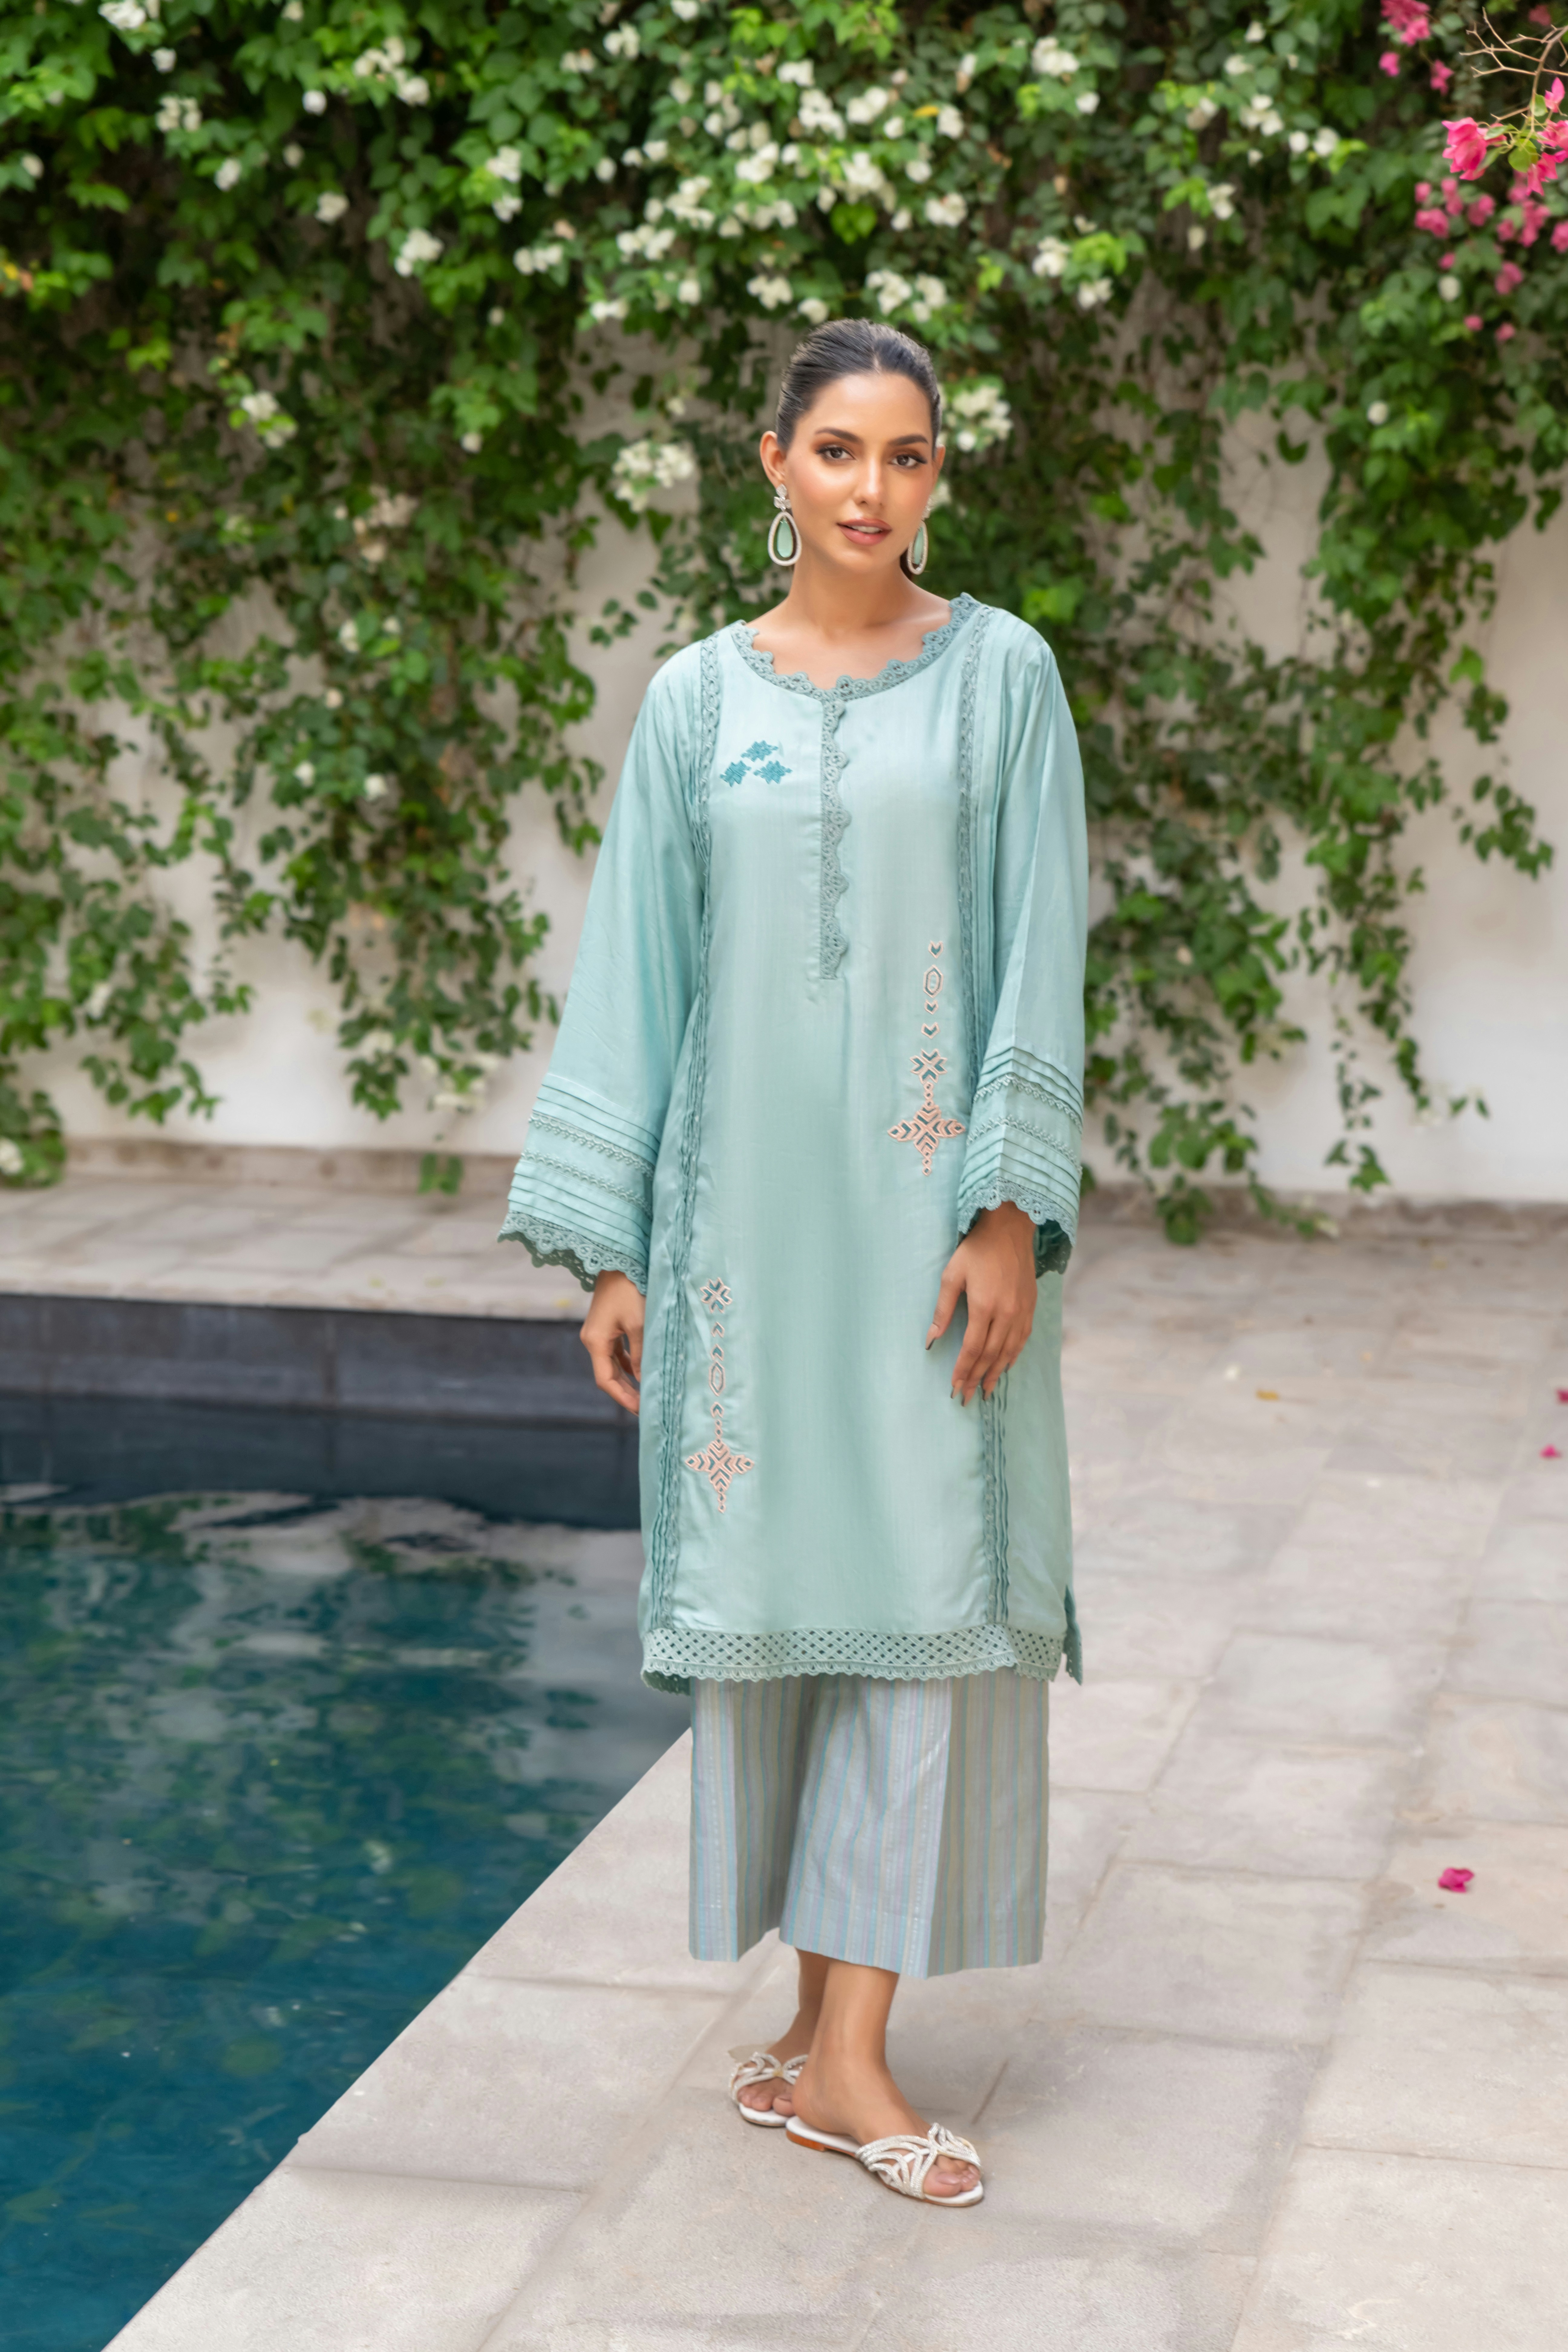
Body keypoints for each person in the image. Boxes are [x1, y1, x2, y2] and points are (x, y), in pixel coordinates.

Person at [501, 318, 1087, 2208]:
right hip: (746, 1235)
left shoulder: (1002, 681)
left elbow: (1036, 947)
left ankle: (846, 2056)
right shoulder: (694, 702)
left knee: (928, 1599)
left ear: (938, 475)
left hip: (931, 1229)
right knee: (799, 1602)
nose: (874, 489)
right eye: (839, 450)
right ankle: (815, 2041)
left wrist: (1009, 1208)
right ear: (771, 465)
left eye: (908, 456)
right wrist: (611, 1254)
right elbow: (639, 974)